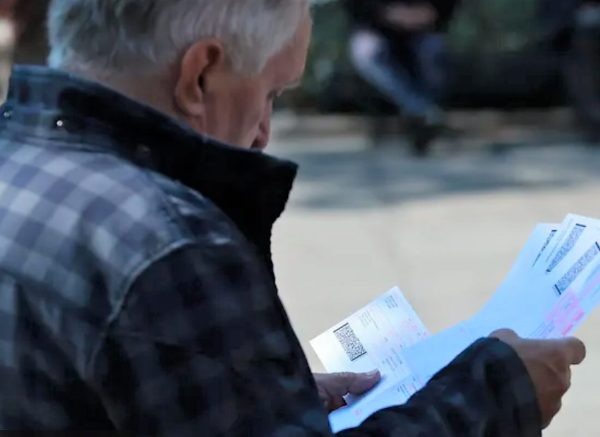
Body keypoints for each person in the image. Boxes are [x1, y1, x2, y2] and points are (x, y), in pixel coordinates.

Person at [0, 0, 586, 435]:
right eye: (271, 93)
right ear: (200, 74)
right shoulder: (171, 245)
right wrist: (496, 393)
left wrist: (260, 398)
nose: (263, 133)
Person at [344, 0, 460, 155]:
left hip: (422, 29)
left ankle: (424, 116)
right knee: (367, 52)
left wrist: (432, 13)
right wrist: (386, 14)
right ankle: (424, 111)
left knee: (433, 50)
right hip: (374, 28)